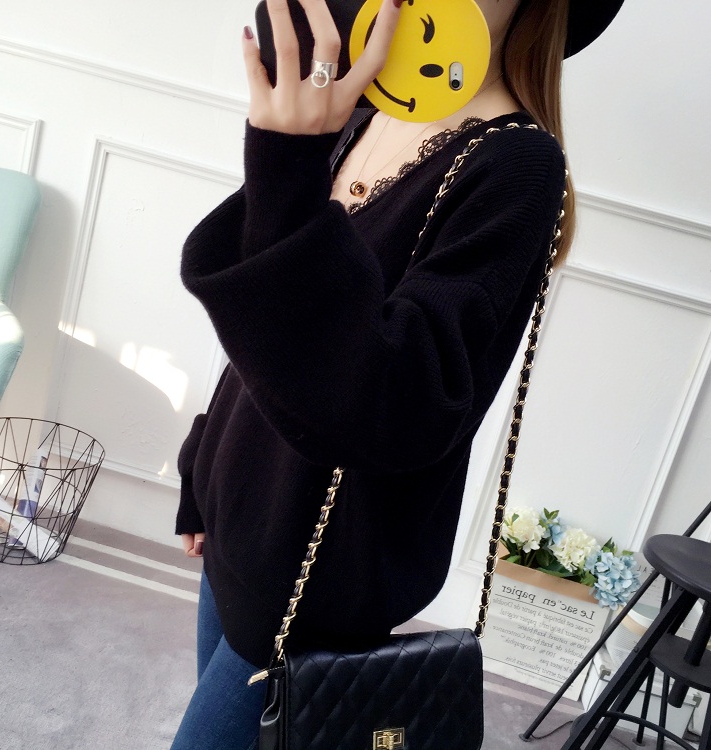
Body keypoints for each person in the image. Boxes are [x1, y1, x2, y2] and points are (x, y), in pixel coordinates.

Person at [170, 0, 622, 748]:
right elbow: (270, 326)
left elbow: (396, 404)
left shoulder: (515, 165)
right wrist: (203, 462)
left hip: (312, 584)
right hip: (239, 526)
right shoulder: (364, 107)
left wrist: (287, 162)